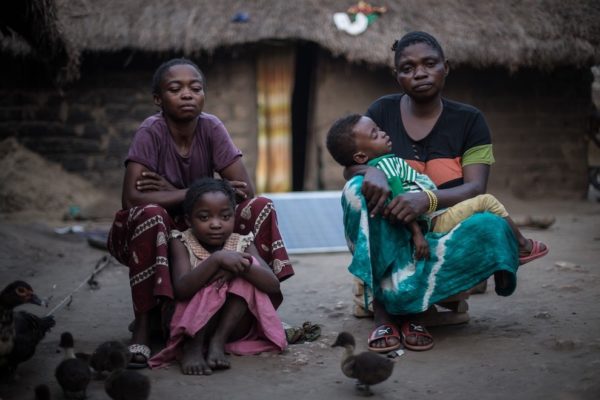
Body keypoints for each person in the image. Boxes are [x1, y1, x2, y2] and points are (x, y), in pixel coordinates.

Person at [340, 31, 534, 353]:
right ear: (396, 75)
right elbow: (353, 163)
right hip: (392, 229)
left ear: (446, 66)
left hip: (444, 229)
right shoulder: (381, 111)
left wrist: (425, 200)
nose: (419, 73)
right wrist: (371, 170)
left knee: (493, 224)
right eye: (407, 67)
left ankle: (413, 302)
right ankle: (385, 314)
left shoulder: (470, 121)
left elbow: (475, 188)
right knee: (358, 189)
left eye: (429, 63)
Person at [107, 58, 294, 368]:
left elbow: (244, 191)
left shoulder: (211, 127)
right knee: (151, 212)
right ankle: (142, 327)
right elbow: (132, 199)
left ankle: (260, 312)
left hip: (205, 217)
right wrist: (192, 193)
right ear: (158, 99)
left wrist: (175, 189)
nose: (187, 94)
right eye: (175, 88)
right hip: (160, 227)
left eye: (195, 88)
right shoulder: (150, 132)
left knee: (260, 207)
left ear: (204, 95)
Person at [326, 113, 549, 263]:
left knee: (483, 216)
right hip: (432, 220)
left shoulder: (384, 163)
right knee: (487, 202)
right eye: (375, 134)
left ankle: (503, 264)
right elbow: (400, 200)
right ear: (362, 156)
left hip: (433, 213)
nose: (383, 133)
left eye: (379, 129)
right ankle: (522, 246)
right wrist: (417, 236)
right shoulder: (385, 167)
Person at [148, 178, 287, 374]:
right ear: (189, 220)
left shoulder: (242, 242)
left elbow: (272, 284)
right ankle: (193, 346)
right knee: (209, 279)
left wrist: (239, 267)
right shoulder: (181, 241)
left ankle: (217, 342)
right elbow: (181, 289)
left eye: (225, 217)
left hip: (231, 326)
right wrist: (217, 260)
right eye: (204, 218)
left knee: (245, 268)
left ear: (234, 217)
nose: (215, 224)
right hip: (189, 324)